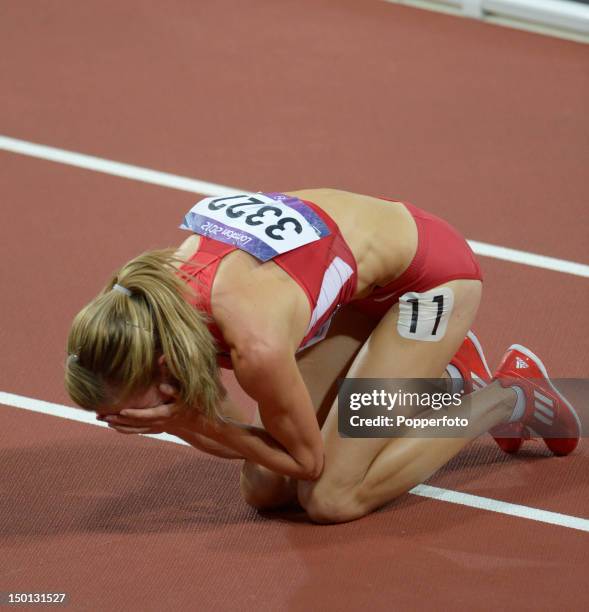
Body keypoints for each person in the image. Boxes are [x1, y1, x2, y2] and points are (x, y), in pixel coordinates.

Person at [65, 189, 581, 523]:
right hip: (355, 292)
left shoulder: (256, 343)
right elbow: (232, 427)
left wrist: (182, 423)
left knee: (332, 497)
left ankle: (504, 394)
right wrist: (184, 420)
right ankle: (442, 374)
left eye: (140, 408)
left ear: (158, 366)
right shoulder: (149, 307)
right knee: (265, 488)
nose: (145, 416)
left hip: (427, 282)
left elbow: (306, 462)